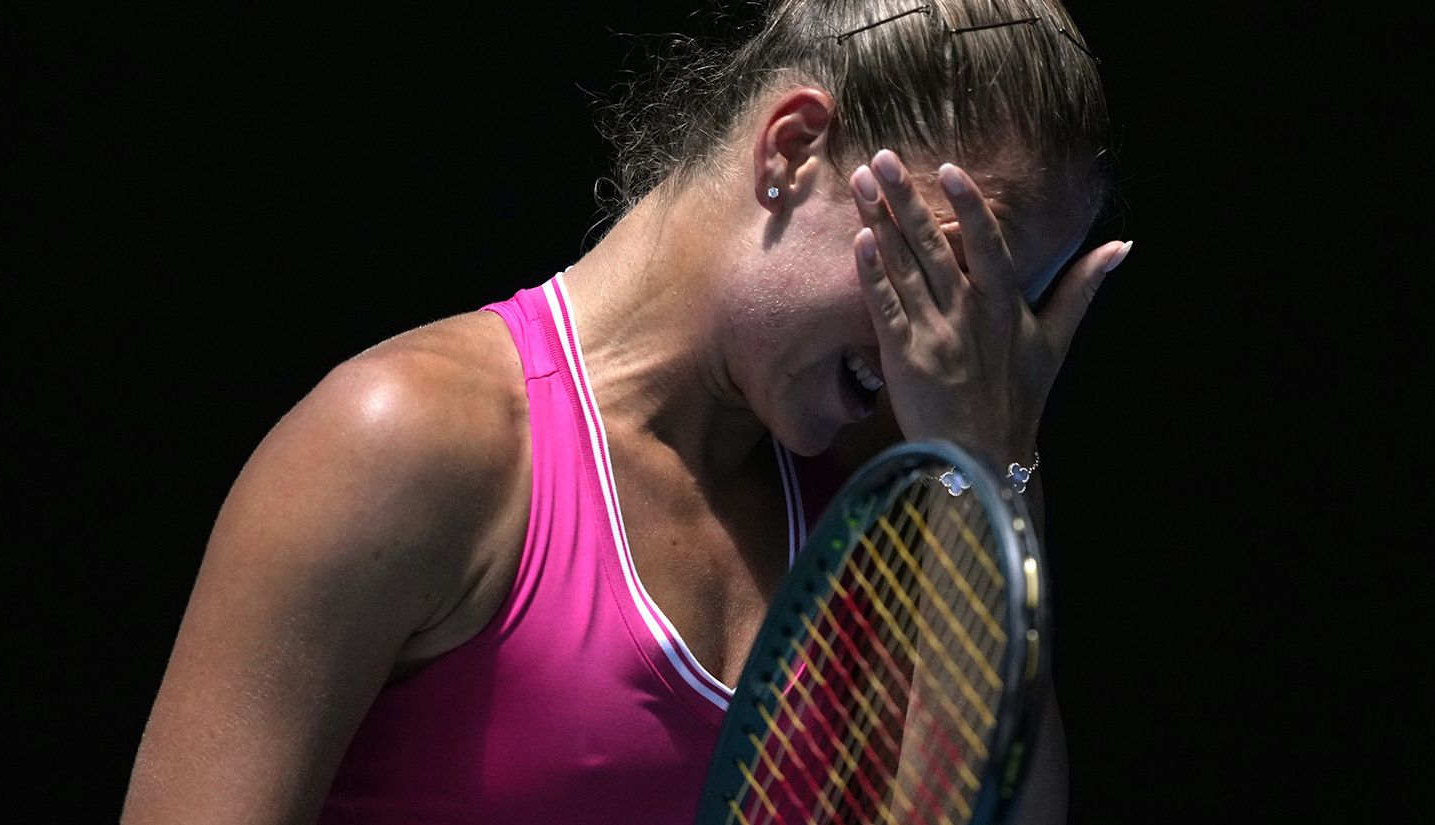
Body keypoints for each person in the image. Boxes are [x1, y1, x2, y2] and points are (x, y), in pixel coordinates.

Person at [122, 1, 1130, 822]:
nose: (957, 349)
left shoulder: (897, 488)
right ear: (792, 148)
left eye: (1006, 315)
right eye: (949, 271)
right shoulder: (398, 442)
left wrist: (994, 462)